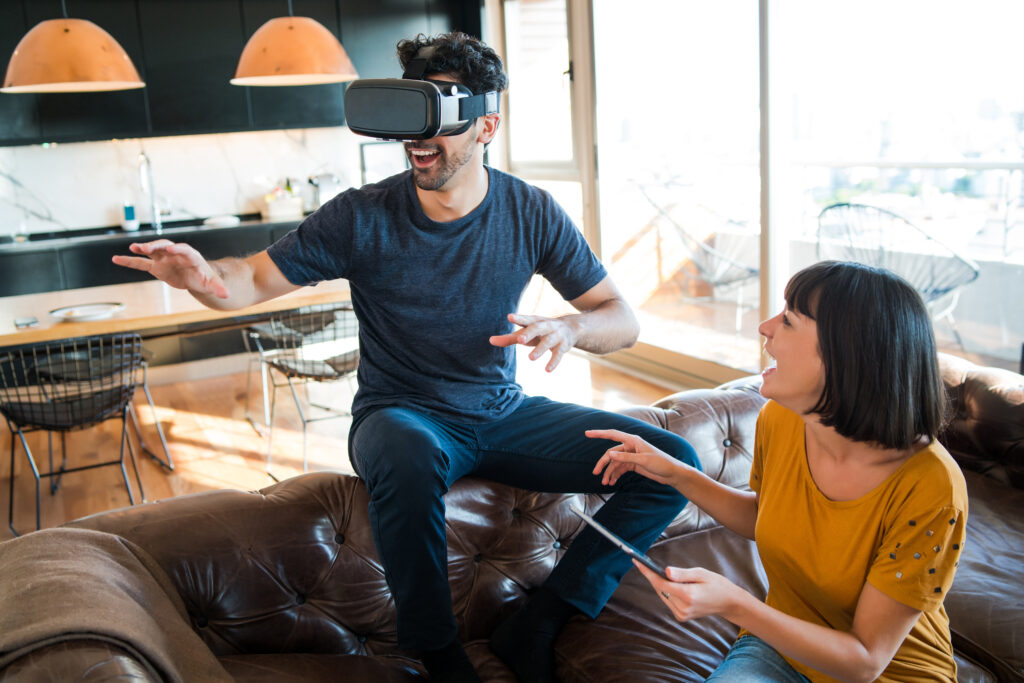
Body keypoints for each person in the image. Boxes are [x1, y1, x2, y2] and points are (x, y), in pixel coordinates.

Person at [112, 31, 699, 683]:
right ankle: (439, 652)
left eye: (440, 112)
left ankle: (545, 617)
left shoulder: (530, 210)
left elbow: (621, 318)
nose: (419, 137)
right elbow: (247, 279)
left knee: (673, 463)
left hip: (502, 413)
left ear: (486, 126)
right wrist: (203, 279)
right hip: (401, 415)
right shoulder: (359, 216)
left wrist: (570, 326)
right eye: (410, 111)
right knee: (408, 453)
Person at [589, 260, 967, 682]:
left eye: (788, 320)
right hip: (784, 648)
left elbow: (865, 660)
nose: (765, 327)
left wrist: (735, 604)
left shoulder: (931, 486)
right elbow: (765, 517)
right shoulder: (780, 420)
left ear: (847, 354)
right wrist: (677, 473)